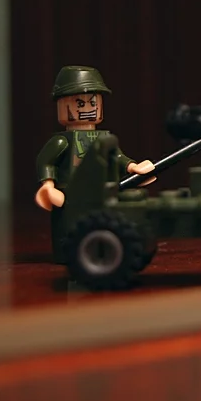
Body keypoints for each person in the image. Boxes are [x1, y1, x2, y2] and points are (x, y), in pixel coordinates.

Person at [35, 65, 155, 263]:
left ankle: (99, 251)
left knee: (102, 224)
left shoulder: (102, 138)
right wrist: (48, 185)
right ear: (62, 105)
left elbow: (115, 156)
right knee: (68, 224)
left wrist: (132, 167)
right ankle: (68, 253)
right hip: (69, 194)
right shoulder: (62, 141)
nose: (87, 108)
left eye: (92, 102)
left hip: (101, 191)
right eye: (79, 103)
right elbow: (45, 161)